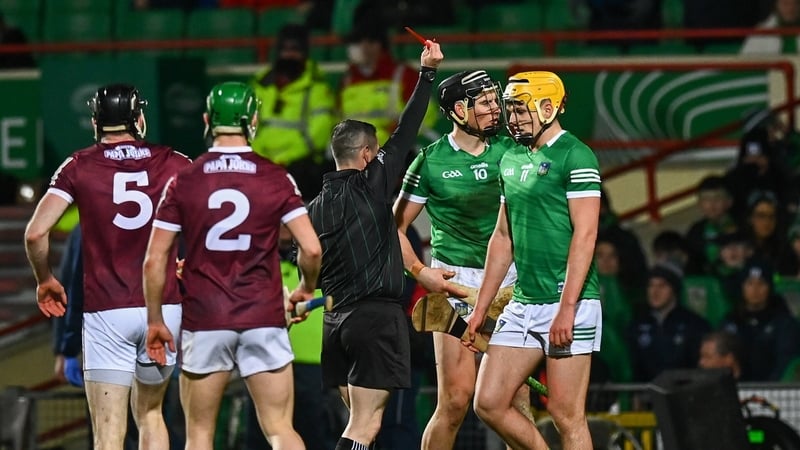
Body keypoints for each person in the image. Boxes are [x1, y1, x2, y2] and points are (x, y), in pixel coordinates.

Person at [143, 81, 322, 450]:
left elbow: (154, 259)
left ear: (208, 120)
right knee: (279, 429)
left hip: (205, 317)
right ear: (253, 119)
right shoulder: (275, 176)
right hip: (263, 314)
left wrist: (155, 319)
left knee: (200, 436)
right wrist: (305, 286)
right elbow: (312, 248)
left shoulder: (184, 179)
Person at [24, 84, 191, 450]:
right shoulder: (175, 161)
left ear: (96, 122)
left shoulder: (79, 164)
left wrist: (45, 279)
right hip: (163, 308)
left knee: (108, 431)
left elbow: (36, 234)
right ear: (139, 119)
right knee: (151, 414)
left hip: (107, 312)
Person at [306, 41, 443, 450]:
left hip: (333, 326)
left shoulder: (312, 209)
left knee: (360, 424)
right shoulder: (373, 184)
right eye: (376, 151)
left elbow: (306, 264)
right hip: (375, 320)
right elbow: (407, 130)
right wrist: (428, 74)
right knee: (363, 427)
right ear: (367, 154)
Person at [393, 69, 532, 450]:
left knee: (514, 401)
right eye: (485, 102)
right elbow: (395, 227)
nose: (495, 108)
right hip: (457, 288)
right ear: (458, 110)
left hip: (511, 285)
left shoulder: (513, 151)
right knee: (454, 402)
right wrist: (422, 273)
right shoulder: (430, 161)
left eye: (494, 100)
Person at [466, 71, 602, 450]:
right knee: (489, 403)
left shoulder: (576, 154)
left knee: (566, 415)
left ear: (548, 107)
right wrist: (480, 308)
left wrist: (567, 309)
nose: (513, 118)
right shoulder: (510, 158)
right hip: (524, 302)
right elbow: (503, 238)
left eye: (521, 109)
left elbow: (586, 235)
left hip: (568, 301)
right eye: (510, 110)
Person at [250, 23, 338, 201]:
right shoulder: (260, 85)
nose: (289, 54)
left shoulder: (317, 86)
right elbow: (249, 128)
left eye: (295, 49)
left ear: (305, 53)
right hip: (261, 164)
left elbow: (319, 134)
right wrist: (263, 159)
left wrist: (283, 161)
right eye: (285, 49)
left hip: (299, 168)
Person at [337, 16, 439, 147]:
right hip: (353, 154)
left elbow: (426, 112)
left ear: (376, 45)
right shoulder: (348, 79)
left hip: (394, 154)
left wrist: (397, 134)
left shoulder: (403, 75)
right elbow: (338, 117)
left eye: (357, 43)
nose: (351, 49)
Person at [626, 266, 711, 383]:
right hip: (647, 394)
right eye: (651, 286)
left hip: (684, 393)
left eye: (662, 286)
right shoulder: (637, 324)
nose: (655, 292)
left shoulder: (693, 323)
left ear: (674, 290)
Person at [720, 258, 800, 381]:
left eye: (761, 283)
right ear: (742, 287)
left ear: (770, 288)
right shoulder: (731, 321)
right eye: (750, 283)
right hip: (735, 389)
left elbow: (785, 362)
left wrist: (769, 389)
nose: (755, 290)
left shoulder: (784, 322)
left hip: (773, 392)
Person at [684, 175, 739, 275]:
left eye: (717, 198)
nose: (712, 204)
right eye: (706, 199)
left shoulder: (742, 228)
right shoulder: (695, 231)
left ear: (729, 202)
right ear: (699, 203)